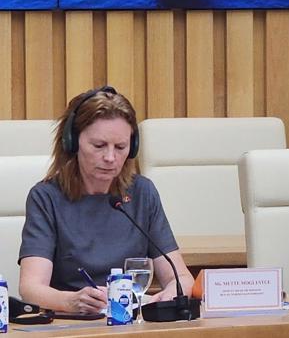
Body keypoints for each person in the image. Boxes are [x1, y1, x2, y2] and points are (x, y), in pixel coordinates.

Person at [18, 86, 193, 314]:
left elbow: (182, 278)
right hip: (73, 325)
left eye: (120, 147)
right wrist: (72, 301)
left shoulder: (142, 193)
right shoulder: (46, 197)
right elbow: (30, 288)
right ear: (72, 142)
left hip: (131, 323)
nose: (110, 158)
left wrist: (167, 296)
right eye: (99, 146)